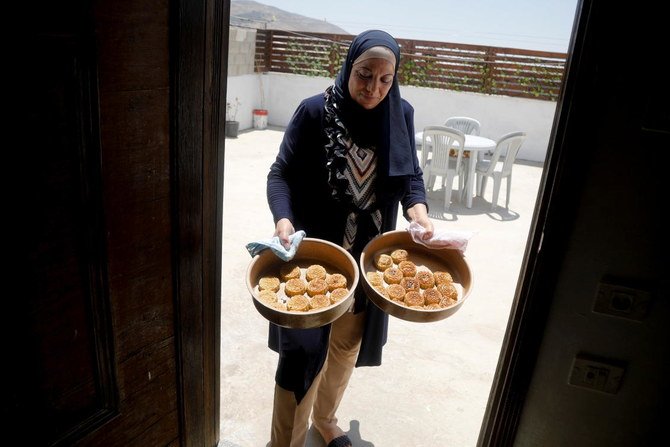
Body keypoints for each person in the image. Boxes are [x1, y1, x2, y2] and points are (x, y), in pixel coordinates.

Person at [265, 29, 434, 447]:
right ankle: (285, 440)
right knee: (302, 353)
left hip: (368, 260)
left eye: (385, 78)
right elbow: (280, 174)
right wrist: (283, 220)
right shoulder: (313, 113)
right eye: (364, 74)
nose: (373, 88)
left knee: (345, 347)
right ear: (348, 67)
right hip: (315, 258)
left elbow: (411, 174)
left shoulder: (401, 114)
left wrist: (420, 214)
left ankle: (325, 419)